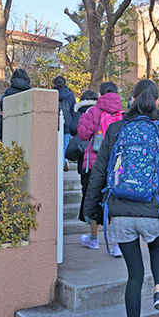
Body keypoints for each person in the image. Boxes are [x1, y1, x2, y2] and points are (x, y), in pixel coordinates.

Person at [83, 79, 159, 317]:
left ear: (132, 99)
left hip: (121, 213)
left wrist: (90, 209)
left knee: (134, 275)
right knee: (157, 247)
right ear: (157, 101)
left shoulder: (116, 129)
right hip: (152, 210)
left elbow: (99, 172)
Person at [77, 81, 124, 256]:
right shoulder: (122, 114)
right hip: (117, 166)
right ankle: (117, 245)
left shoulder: (93, 111)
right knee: (116, 202)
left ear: (100, 94)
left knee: (96, 199)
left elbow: (82, 134)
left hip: (95, 164)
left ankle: (94, 239)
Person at [69, 90, 99, 224]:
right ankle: (92, 215)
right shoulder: (99, 111)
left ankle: (85, 214)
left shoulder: (79, 111)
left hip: (83, 153)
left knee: (84, 185)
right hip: (96, 152)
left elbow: (73, 128)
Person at [0, 68, 31, 140]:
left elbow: (3, 107)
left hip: (10, 122)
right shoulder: (29, 91)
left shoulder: (9, 91)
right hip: (25, 122)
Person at [53, 75, 76, 171]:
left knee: (53, 148)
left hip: (53, 125)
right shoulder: (70, 95)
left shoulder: (51, 94)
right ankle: (61, 166)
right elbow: (73, 110)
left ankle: (55, 168)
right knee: (64, 148)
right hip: (67, 125)